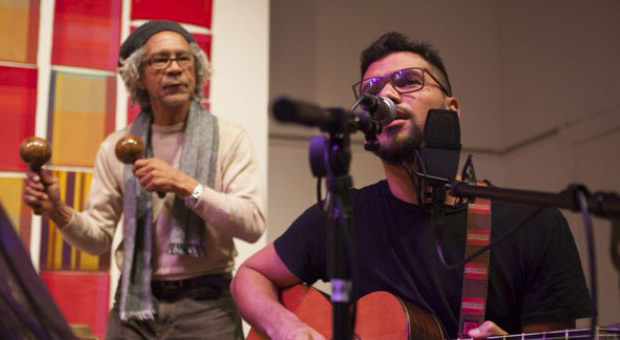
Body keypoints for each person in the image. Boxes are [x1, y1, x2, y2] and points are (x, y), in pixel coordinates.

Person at [230, 32, 591, 339]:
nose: (387, 95)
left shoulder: (534, 225)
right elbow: (250, 274)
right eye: (372, 89)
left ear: (451, 109)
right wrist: (286, 327)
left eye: (407, 81)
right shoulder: (342, 214)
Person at [23, 20, 266, 339]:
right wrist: (58, 210)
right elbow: (97, 240)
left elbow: (251, 224)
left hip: (207, 309)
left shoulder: (229, 139)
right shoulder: (115, 146)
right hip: (134, 305)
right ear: (138, 75)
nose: (175, 68)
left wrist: (184, 184)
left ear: (197, 71)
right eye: (161, 59)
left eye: (184, 58)